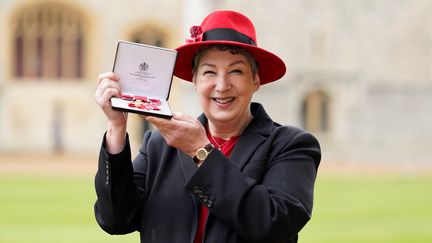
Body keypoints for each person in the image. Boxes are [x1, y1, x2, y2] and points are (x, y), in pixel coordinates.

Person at [94, 10, 321, 243]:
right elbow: (116, 220)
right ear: (195, 81)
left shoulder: (290, 145)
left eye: (236, 71)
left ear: (256, 81)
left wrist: (199, 150)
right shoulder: (159, 145)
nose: (221, 86)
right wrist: (116, 126)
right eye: (209, 72)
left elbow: (276, 224)